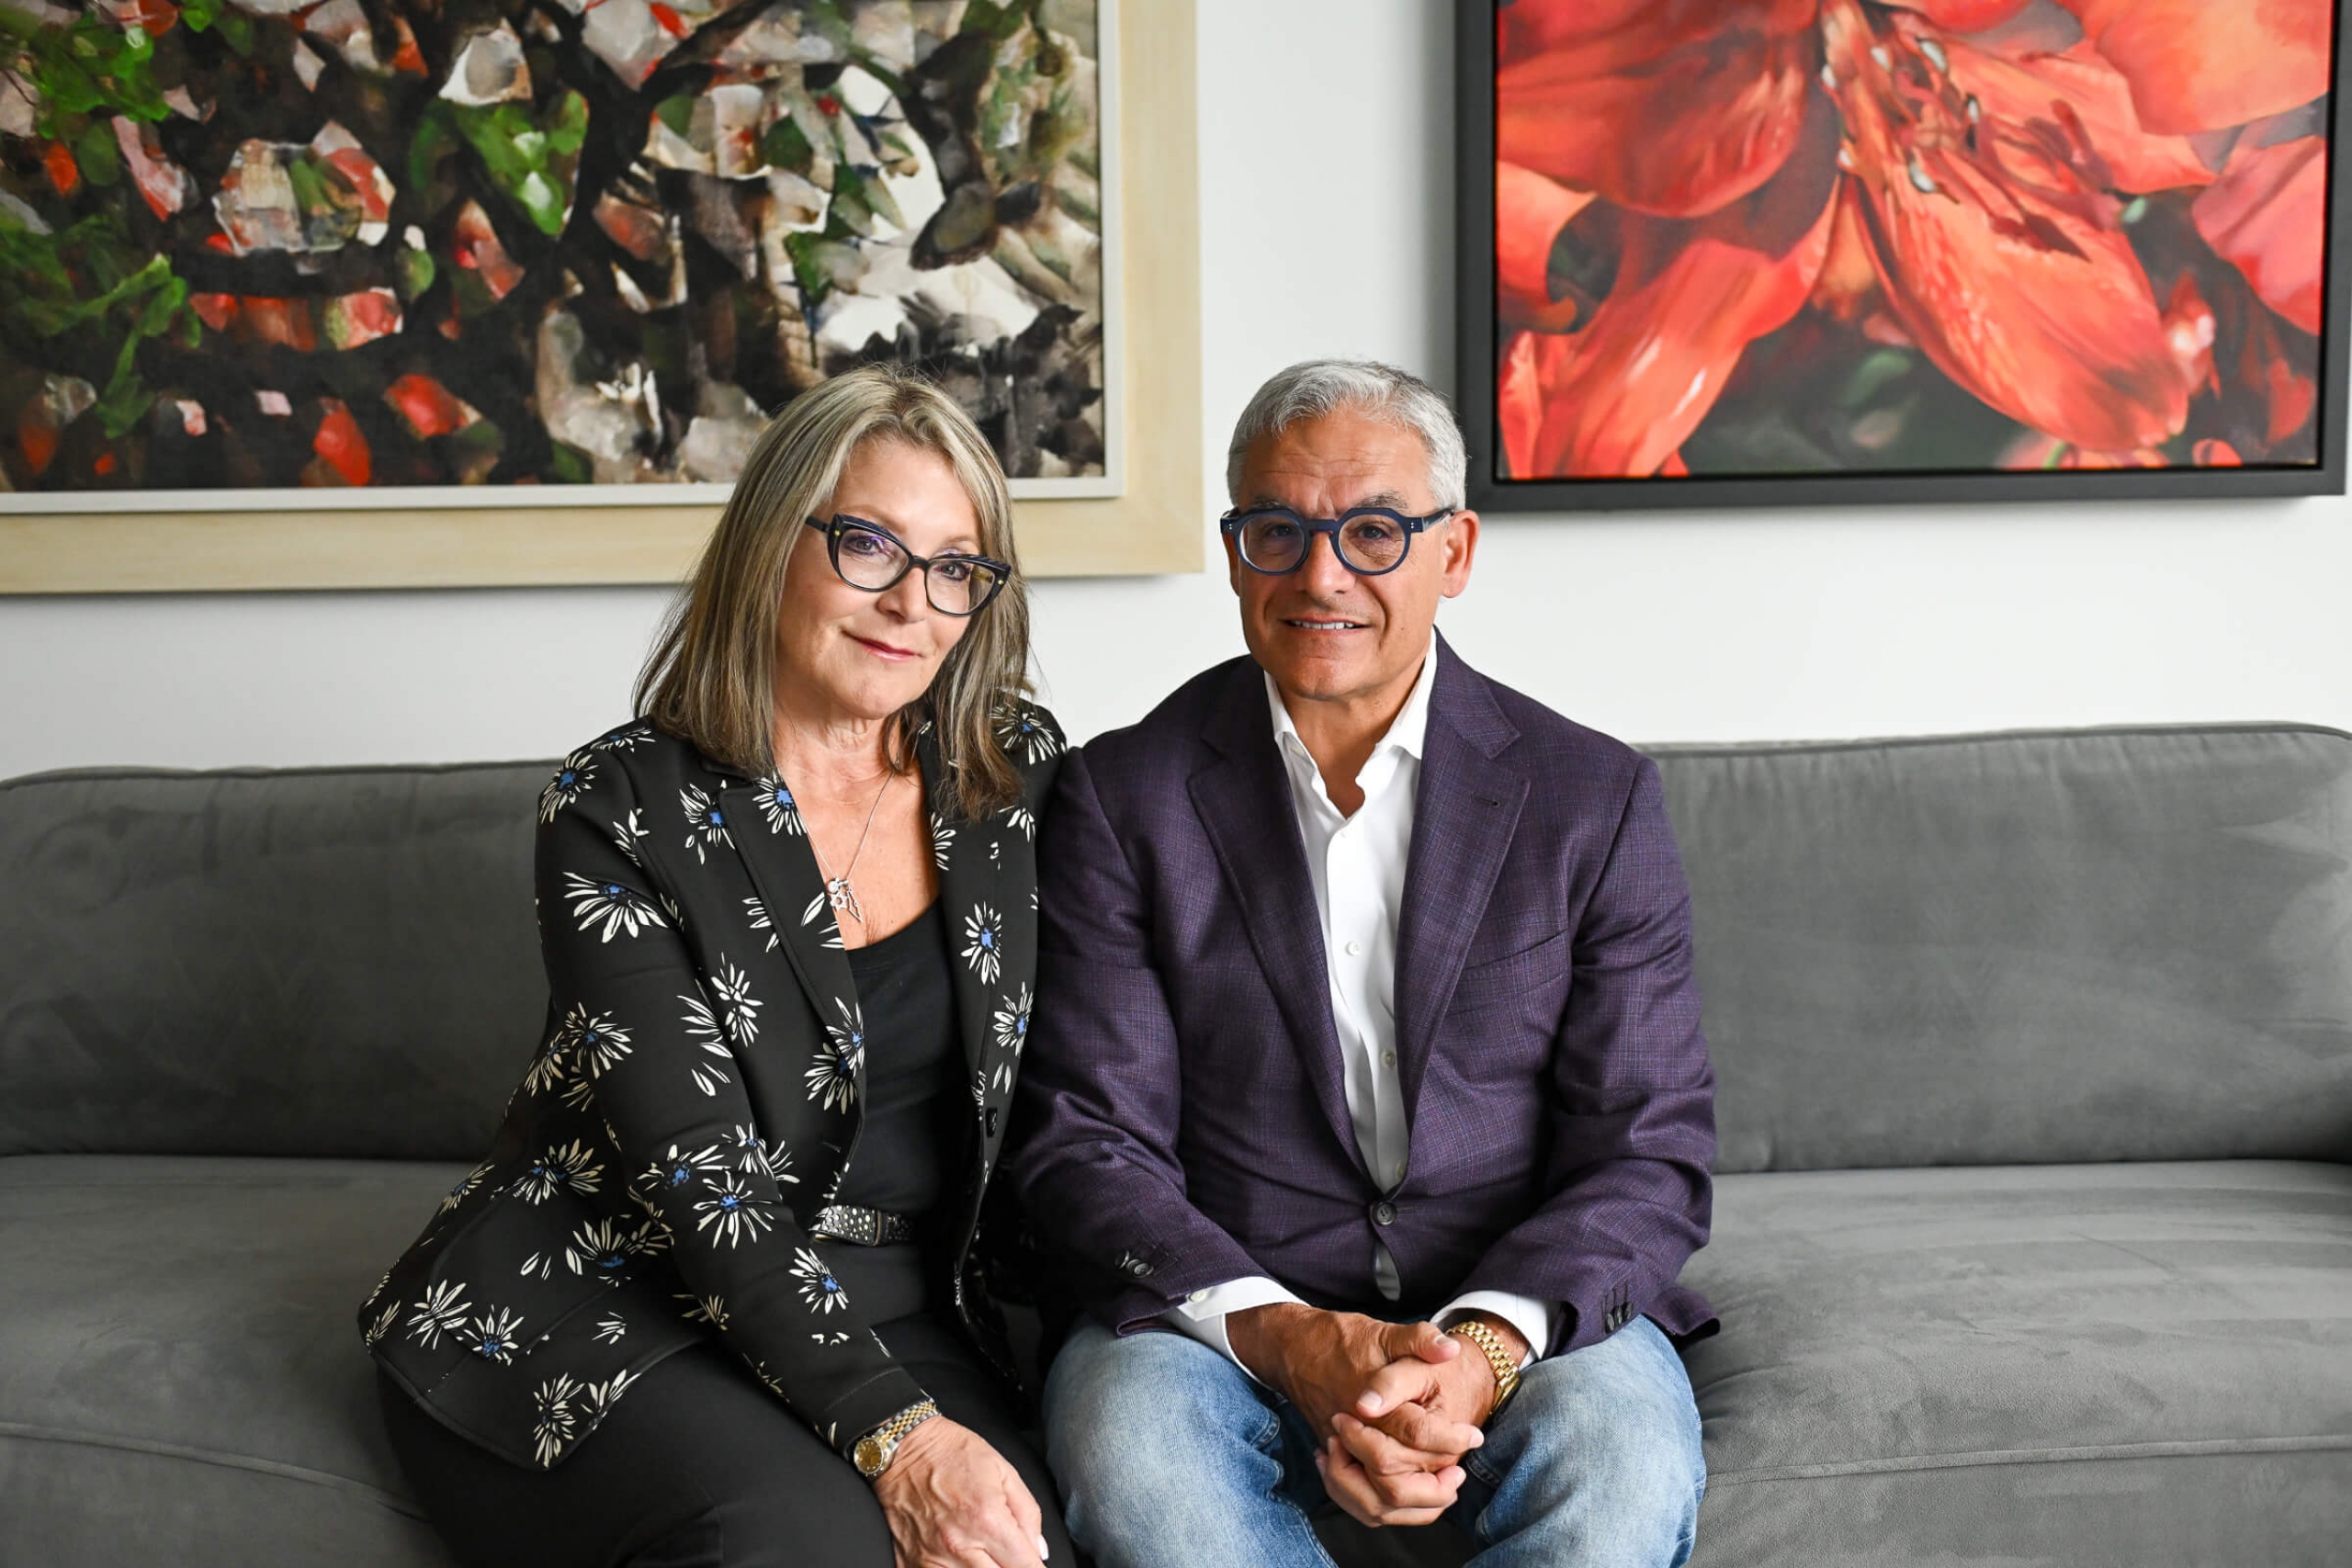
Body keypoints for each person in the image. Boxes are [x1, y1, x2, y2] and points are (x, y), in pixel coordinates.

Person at [361, 364, 1073, 1568]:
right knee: (795, 1546)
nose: (914, 604)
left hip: (904, 1294)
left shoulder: (1009, 774)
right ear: (770, 543)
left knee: (1031, 1542)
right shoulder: (616, 809)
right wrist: (901, 1445)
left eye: (956, 567)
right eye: (868, 546)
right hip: (621, 1287)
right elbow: (706, 1187)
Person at [1009, 359, 1718, 1567]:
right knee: (1145, 1476)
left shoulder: (1590, 799)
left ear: (1457, 551)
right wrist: (1290, 1338)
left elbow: (1647, 1145)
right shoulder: (1122, 797)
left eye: (1375, 531)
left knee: (1621, 1476)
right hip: (1213, 1313)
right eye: (1279, 531)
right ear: (1235, 553)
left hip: (1520, 1306)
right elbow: (1087, 1139)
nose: (1322, 575)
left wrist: (1481, 1353)